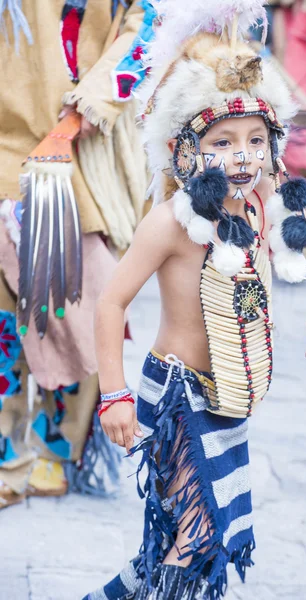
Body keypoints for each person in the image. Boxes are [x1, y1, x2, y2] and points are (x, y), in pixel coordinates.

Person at [85, 2, 306, 599]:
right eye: (223, 141)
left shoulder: (266, 207)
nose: (243, 156)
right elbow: (109, 304)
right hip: (177, 397)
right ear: (186, 152)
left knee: (193, 535)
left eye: (256, 139)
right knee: (197, 537)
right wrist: (114, 395)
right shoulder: (171, 224)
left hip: (233, 395)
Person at [0, 0, 152, 508]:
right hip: (10, 141)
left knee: (75, 302)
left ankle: (56, 446)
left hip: (74, 146)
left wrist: (87, 107)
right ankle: (7, 453)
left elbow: (148, 24)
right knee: (3, 313)